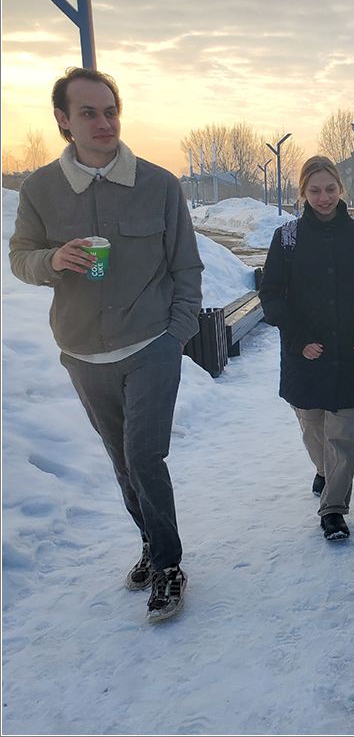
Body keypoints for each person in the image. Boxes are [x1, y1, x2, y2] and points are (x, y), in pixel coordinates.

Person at [8, 67, 203, 622]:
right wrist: (51, 260)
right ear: (63, 120)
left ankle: (168, 564)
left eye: (110, 110)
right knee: (121, 461)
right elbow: (19, 257)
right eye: (88, 112)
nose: (104, 122)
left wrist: (177, 334)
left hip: (151, 345)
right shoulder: (41, 189)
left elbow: (186, 265)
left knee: (144, 455)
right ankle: (150, 538)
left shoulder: (158, 185)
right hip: (83, 354)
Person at [259, 156, 354, 541]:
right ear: (303, 193)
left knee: (346, 435)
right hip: (305, 356)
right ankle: (326, 471)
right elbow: (270, 294)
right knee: (313, 426)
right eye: (315, 190)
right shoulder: (287, 238)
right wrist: (298, 339)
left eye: (330, 189)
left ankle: (333, 508)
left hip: (350, 352)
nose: (324, 197)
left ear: (341, 189)